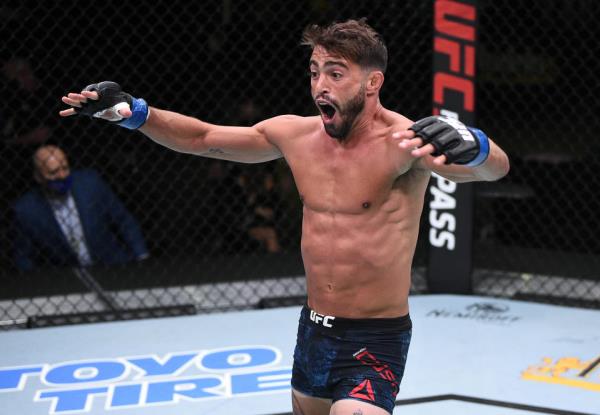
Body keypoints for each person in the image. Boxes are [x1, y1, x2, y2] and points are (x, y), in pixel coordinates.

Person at [59, 19, 509, 415]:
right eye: (315, 73)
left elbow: (488, 171)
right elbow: (203, 138)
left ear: (373, 83)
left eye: (336, 74)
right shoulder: (295, 135)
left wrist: (478, 146)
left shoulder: (403, 142)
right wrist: (131, 113)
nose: (320, 87)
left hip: (377, 336)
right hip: (314, 328)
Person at [12, 145, 149, 272]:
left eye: (65, 168)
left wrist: (141, 256)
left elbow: (123, 220)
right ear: (39, 177)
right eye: (53, 172)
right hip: (67, 277)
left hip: (113, 265)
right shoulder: (27, 209)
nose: (62, 176)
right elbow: (23, 256)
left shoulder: (90, 184)